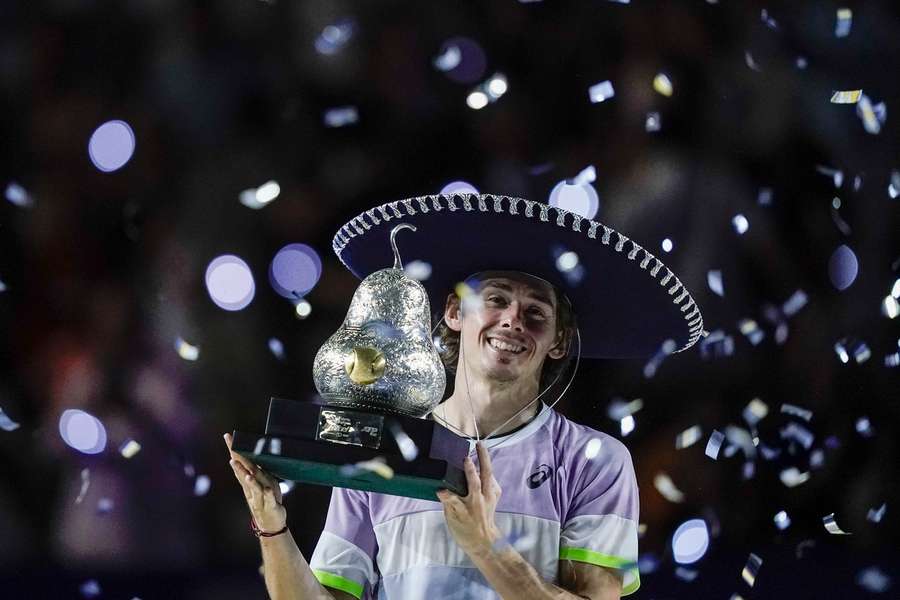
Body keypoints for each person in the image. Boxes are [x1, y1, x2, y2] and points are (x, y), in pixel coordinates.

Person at [226, 193, 704, 599]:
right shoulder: (383, 449)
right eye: (495, 299)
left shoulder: (596, 460)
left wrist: (485, 544)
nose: (513, 320)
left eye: (536, 311)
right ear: (454, 312)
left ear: (559, 341)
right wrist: (272, 527)